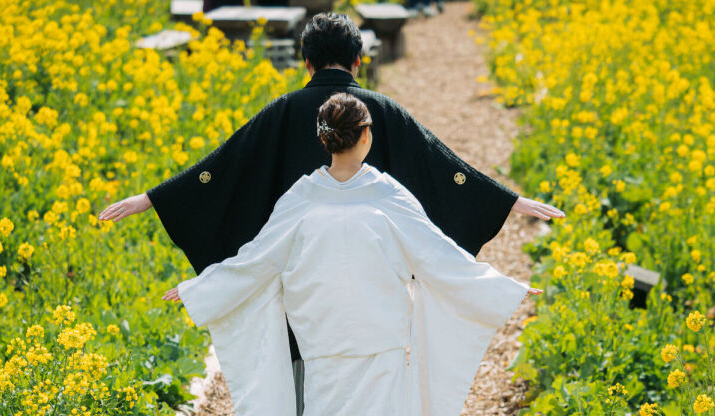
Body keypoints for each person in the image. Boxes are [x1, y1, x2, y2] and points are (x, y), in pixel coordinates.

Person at [162, 94, 540, 416]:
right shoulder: (385, 195)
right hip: (379, 333)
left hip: (323, 335)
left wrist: (202, 287)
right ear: (366, 135)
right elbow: (438, 256)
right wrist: (502, 287)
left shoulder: (302, 197)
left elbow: (256, 259)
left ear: (325, 140)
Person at [99, 13, 563, 279]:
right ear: (359, 60)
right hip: (372, 267)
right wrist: (508, 201)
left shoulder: (281, 111)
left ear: (305, 62)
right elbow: (441, 168)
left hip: (300, 266)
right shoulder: (380, 109)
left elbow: (223, 168)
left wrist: (152, 199)